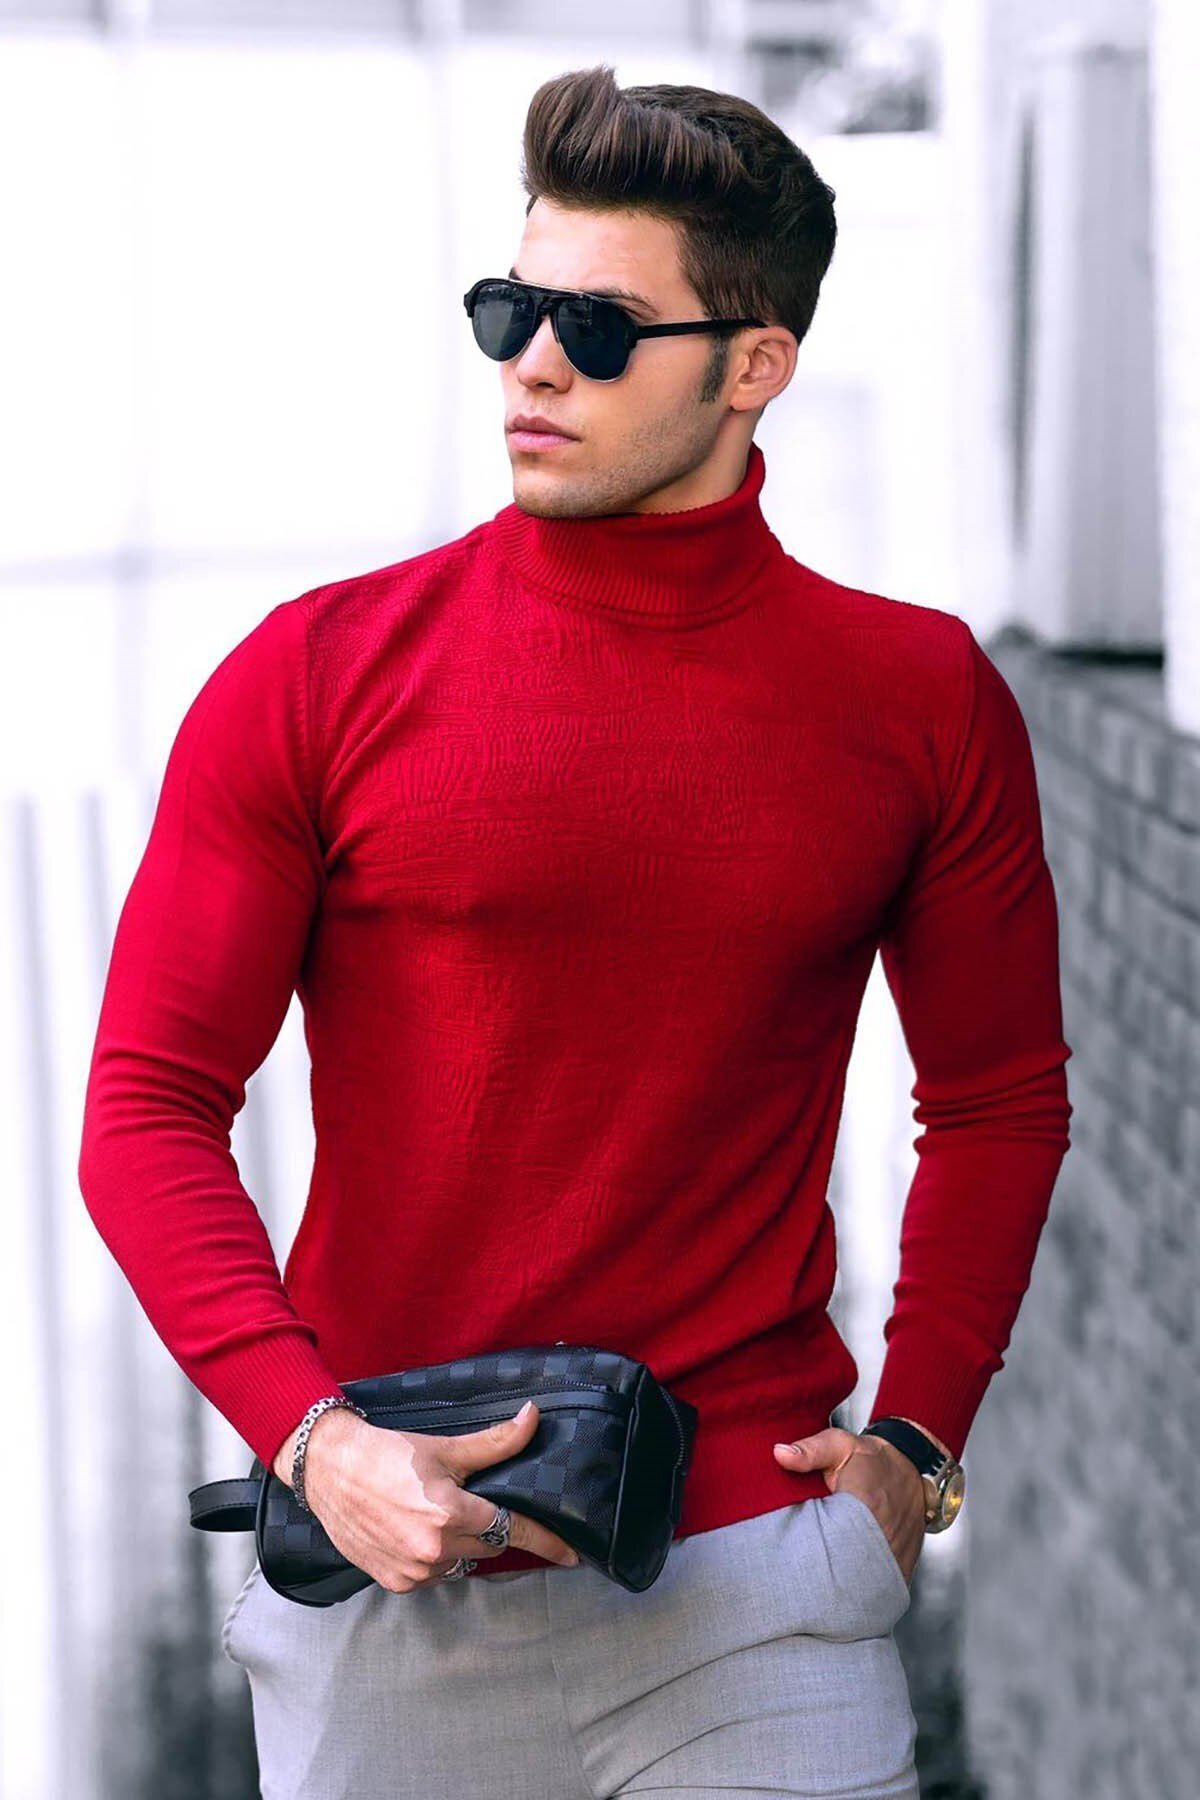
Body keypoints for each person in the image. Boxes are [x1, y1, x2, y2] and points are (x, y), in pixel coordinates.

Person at [77, 62, 1072, 1800]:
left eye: (599, 329)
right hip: (389, 1596)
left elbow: (997, 1102)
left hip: (754, 1590)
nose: (533, 363)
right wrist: (312, 1441)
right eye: (510, 309)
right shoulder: (315, 677)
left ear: (754, 366)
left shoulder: (918, 700)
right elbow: (146, 1105)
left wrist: (917, 1445)